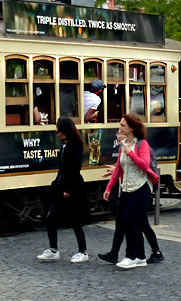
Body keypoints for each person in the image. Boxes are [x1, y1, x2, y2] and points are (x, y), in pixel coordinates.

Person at [100, 113, 163, 269]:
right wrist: (109, 187)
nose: (119, 127)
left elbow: (144, 164)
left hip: (141, 187)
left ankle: (131, 255)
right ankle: (140, 257)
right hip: (127, 187)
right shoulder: (123, 145)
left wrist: (130, 152)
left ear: (132, 128)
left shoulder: (141, 145)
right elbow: (119, 169)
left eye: (122, 125)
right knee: (127, 221)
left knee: (130, 220)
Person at [36, 117, 90, 263]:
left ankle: (83, 252)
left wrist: (68, 189)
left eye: (58, 128)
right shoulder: (64, 145)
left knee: (75, 221)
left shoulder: (75, 146)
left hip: (72, 187)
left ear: (65, 130)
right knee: (50, 218)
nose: (56, 132)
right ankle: (53, 250)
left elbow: (74, 169)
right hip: (61, 186)